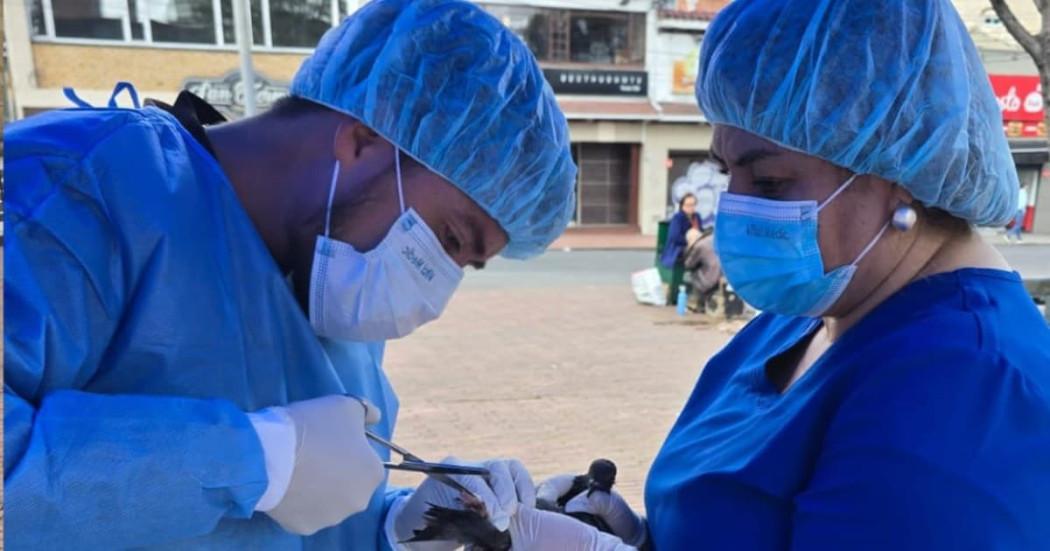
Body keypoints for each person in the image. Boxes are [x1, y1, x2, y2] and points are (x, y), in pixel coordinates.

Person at [3, 0, 575, 548]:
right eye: (449, 238)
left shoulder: (335, 293)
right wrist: (253, 459)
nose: (437, 293)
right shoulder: (74, 193)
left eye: (464, 266)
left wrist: (400, 528)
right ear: (364, 140)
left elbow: (291, 526)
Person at [507, 1, 1050, 549]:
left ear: (898, 170)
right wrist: (637, 538)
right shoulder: (815, 308)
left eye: (768, 182)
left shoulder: (965, 392)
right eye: (726, 171)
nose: (735, 207)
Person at [659, 193, 703, 269]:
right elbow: (674, 237)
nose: (691, 207)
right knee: (697, 251)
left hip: (696, 245)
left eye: (693, 205)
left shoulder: (697, 216)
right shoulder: (677, 218)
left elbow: (701, 231)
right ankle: (691, 269)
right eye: (688, 205)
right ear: (682, 206)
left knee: (708, 250)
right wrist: (690, 242)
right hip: (679, 247)